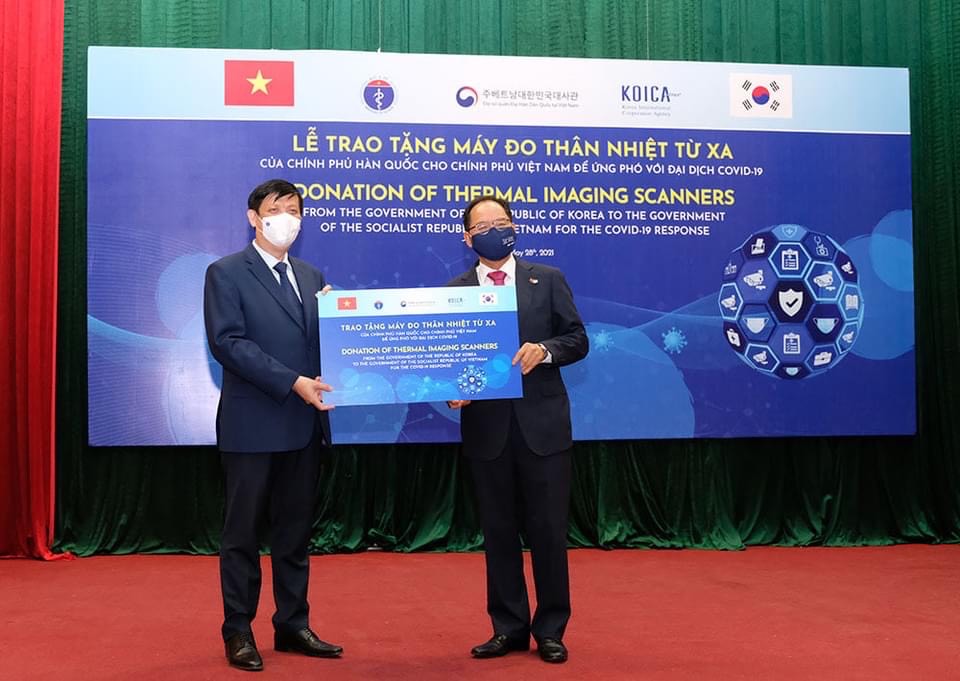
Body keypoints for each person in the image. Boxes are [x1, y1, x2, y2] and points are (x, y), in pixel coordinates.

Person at [203, 178, 341, 671]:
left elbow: (318, 345)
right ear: (254, 218)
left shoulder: (310, 275)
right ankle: (238, 630)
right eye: (277, 208)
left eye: (295, 210)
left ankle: (292, 624)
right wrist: (292, 382)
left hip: (303, 426)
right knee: (242, 535)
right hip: (253, 424)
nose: (287, 218)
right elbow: (228, 343)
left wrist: (340, 322)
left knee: (294, 533)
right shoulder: (225, 273)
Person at [447, 195, 589, 664]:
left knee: (548, 532)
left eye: (502, 221)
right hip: (487, 432)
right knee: (498, 533)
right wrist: (451, 390)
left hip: (542, 429)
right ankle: (507, 628)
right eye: (483, 225)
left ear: (514, 227)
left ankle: (551, 629)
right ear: (467, 237)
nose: (494, 230)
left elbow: (577, 339)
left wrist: (545, 351)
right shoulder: (454, 291)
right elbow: (447, 360)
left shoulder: (546, 279)